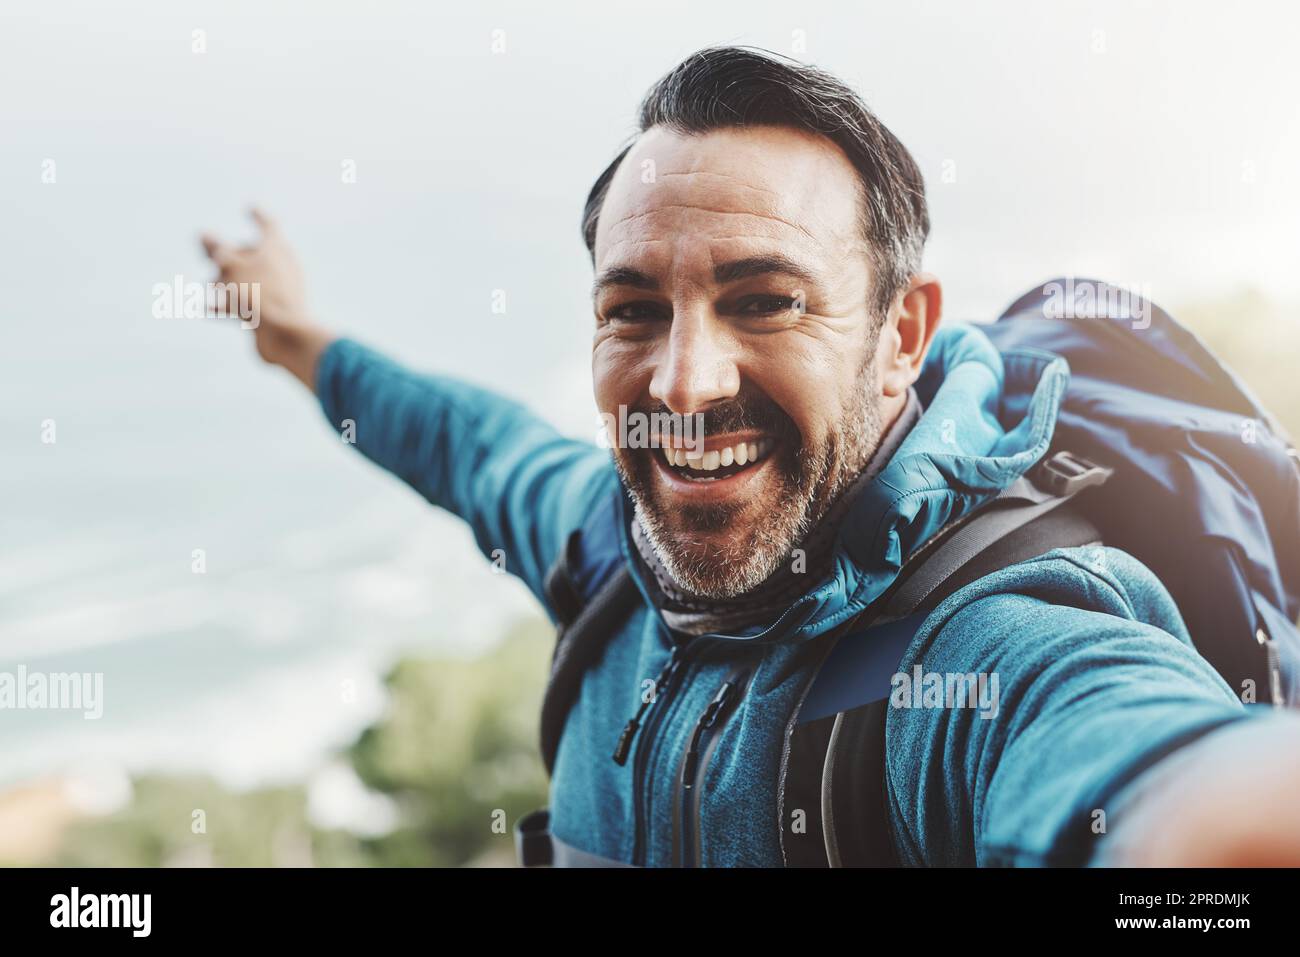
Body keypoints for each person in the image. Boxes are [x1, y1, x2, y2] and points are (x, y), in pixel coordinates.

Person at [200, 46, 1300, 867]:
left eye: (766, 300)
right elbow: (464, 441)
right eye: (632, 310)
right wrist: (294, 338)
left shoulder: (986, 651)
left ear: (899, 338)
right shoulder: (604, 544)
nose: (682, 384)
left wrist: (1202, 816)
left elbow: (1145, 764)